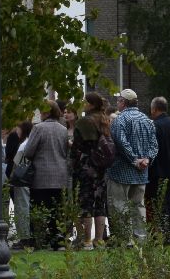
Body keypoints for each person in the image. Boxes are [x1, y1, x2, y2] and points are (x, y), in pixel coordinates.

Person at [16, 101, 72, 249]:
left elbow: (28, 152)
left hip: (41, 175)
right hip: (60, 175)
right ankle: (57, 240)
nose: (40, 114)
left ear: (46, 112)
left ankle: (38, 240)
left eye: (41, 111)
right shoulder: (63, 129)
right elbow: (66, 151)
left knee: (38, 208)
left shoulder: (38, 128)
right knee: (57, 209)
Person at [107, 89, 157, 245]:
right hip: (142, 171)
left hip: (121, 171)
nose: (117, 104)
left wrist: (135, 160)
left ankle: (126, 239)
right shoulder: (147, 120)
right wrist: (147, 160)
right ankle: (141, 238)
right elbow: (154, 144)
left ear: (123, 102)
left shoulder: (119, 120)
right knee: (138, 205)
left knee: (119, 205)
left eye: (118, 101)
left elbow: (121, 143)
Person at [71, 91, 112, 249]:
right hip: (101, 166)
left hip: (86, 165)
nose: (83, 103)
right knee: (100, 203)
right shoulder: (104, 120)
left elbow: (77, 147)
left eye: (85, 101)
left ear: (91, 104)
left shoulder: (84, 122)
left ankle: (87, 240)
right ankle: (99, 239)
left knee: (86, 203)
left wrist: (73, 163)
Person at [148, 96, 170, 236]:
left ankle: (159, 233)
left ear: (154, 109)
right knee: (169, 203)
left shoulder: (154, 125)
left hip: (156, 171)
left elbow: (152, 148)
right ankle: (169, 232)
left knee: (157, 203)